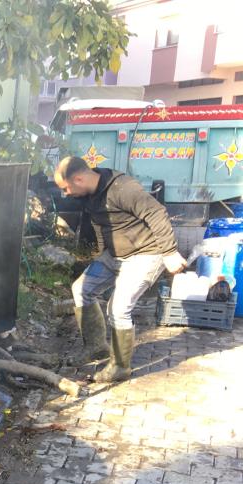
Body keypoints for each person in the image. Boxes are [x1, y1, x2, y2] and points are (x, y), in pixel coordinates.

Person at [54, 156, 186, 383]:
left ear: (78, 178)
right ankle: (96, 347)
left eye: (66, 188)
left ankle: (119, 367)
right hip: (115, 255)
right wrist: (101, 253)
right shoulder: (90, 194)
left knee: (119, 308)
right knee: (81, 289)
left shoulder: (123, 188)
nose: (65, 193)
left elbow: (156, 213)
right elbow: (99, 223)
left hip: (145, 254)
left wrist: (170, 252)